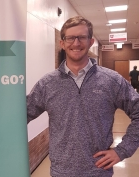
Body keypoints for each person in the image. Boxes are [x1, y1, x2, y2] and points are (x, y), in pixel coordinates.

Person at [27, 16, 139, 177]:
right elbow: (21, 115)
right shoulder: (47, 84)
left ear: (91, 41)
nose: (76, 43)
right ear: (62, 43)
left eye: (82, 37)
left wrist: (122, 150)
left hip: (99, 171)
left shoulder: (111, 81)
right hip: (61, 172)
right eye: (71, 38)